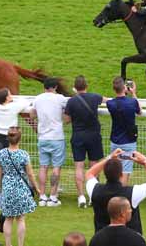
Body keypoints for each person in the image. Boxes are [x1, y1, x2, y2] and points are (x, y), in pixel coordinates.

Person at [86, 148, 146, 235]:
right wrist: (145, 162)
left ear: (104, 173)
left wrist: (109, 158)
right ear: (121, 175)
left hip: (103, 238)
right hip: (130, 239)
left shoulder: (95, 190)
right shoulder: (133, 193)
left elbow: (89, 173)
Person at [64, 75, 105, 208]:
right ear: (86, 86)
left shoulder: (71, 101)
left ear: (75, 88)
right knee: (94, 167)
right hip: (93, 135)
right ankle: (93, 196)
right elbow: (106, 100)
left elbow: (66, 120)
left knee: (79, 167)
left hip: (78, 136)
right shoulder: (94, 97)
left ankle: (81, 196)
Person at [0, 127, 41, 246]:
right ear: (20, 139)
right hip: (21, 187)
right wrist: (36, 187)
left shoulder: (0, 154)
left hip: (7, 187)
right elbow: (30, 174)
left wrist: (0, 187)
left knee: (8, 218)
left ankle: (8, 244)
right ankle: (20, 244)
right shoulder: (23, 154)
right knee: (20, 218)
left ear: (7, 138)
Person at [30, 77, 66, 207]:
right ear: (55, 87)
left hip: (43, 137)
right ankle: (53, 197)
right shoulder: (60, 98)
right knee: (56, 168)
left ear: (44, 87)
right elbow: (67, 113)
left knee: (43, 167)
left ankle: (42, 196)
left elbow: (32, 115)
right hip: (57, 137)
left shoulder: (38, 98)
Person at [106, 77, 141, 185]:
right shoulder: (132, 102)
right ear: (124, 88)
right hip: (129, 142)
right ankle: (121, 196)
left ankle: (114, 194)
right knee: (125, 171)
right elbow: (140, 112)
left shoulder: (110, 103)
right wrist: (133, 93)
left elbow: (114, 101)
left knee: (115, 170)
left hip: (115, 141)